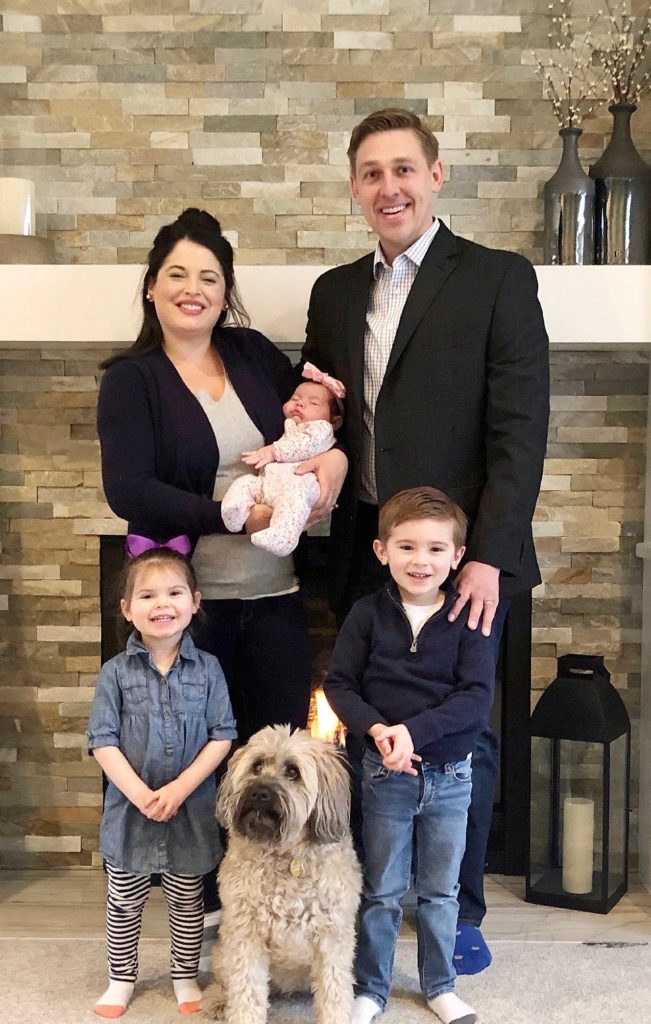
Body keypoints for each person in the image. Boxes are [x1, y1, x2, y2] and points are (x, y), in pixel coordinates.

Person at [302, 108, 550, 974]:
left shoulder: (496, 278)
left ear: (435, 176)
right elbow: (324, 408)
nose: (389, 187)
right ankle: (367, 899)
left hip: (462, 563)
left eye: (403, 169)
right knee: (361, 731)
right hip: (365, 553)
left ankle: (459, 911)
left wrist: (486, 555)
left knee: (461, 739)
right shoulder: (334, 292)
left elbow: (520, 430)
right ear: (354, 186)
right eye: (371, 173)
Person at [96, 207, 347, 960]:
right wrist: (234, 517)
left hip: (274, 599)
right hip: (188, 613)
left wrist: (333, 460)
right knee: (196, 760)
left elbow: (325, 416)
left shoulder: (252, 355)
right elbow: (129, 490)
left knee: (274, 759)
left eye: (209, 276)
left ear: (225, 290)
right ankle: (199, 915)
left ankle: (272, 912)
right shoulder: (132, 380)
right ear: (151, 286)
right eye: (177, 273)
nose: (193, 288)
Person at [324, 487, 495, 1024]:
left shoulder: (468, 618)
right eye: (407, 547)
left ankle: (439, 986)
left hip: (451, 776)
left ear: (457, 556)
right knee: (382, 890)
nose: (421, 560)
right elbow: (340, 685)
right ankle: (371, 989)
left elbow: (475, 697)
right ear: (382, 551)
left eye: (436, 549)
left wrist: (412, 732)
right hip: (384, 775)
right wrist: (379, 730)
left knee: (441, 892)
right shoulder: (366, 615)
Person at [87, 548, 237, 1018]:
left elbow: (222, 735)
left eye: (174, 593)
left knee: (187, 901)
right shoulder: (114, 673)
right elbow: (102, 741)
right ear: (127, 609)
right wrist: (139, 794)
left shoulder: (208, 669)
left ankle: (184, 975)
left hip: (189, 809)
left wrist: (179, 790)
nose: (162, 604)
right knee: (123, 900)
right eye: (147, 595)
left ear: (194, 602)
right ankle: (120, 978)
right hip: (130, 811)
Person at [222, 362, 345, 557]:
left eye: (313, 403)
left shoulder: (322, 429)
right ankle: (234, 512)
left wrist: (273, 452)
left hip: (301, 482)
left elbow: (305, 446)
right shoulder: (288, 425)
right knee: (246, 483)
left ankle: (283, 537)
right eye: (295, 398)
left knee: (294, 502)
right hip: (272, 483)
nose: (300, 404)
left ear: (335, 421)